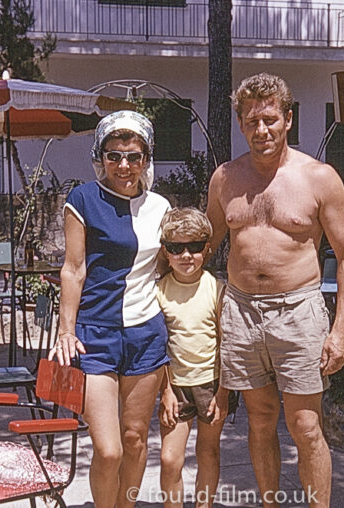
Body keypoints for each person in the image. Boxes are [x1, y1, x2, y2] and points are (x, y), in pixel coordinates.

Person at [206, 73, 344, 507]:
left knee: (306, 425)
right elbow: (204, 248)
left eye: (271, 119)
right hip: (240, 311)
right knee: (259, 421)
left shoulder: (320, 178)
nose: (262, 131)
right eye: (252, 121)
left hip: (298, 311)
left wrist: (341, 330)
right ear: (241, 123)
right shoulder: (224, 179)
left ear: (288, 119)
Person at [50, 110, 171, 507]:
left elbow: (170, 267)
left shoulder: (160, 207)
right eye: (114, 155)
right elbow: (73, 268)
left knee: (135, 441)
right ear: (100, 156)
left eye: (133, 156)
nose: (123, 165)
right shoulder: (83, 199)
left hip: (145, 335)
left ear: (146, 159)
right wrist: (66, 330)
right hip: (95, 336)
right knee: (109, 450)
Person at [155, 207, 236, 508]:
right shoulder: (158, 291)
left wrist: (224, 392)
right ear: (166, 250)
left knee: (208, 451)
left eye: (195, 247)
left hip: (211, 384)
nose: (186, 255)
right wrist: (165, 391)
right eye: (177, 248)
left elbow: (228, 343)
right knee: (169, 458)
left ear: (207, 248)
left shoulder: (217, 289)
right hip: (174, 387)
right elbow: (158, 345)